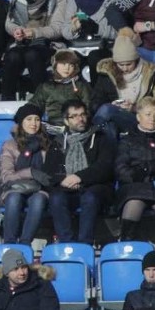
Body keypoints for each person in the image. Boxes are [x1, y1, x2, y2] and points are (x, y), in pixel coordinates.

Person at [39, 99, 114, 245]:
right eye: (74, 116)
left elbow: (105, 167)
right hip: (66, 186)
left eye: (83, 114)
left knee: (90, 197)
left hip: (94, 187)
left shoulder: (99, 138)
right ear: (66, 121)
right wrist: (63, 179)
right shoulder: (58, 142)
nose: (80, 119)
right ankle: (67, 243)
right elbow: (48, 171)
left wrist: (79, 177)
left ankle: (85, 243)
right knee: (56, 198)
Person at [114, 97, 155, 244]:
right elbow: (121, 168)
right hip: (134, 185)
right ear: (138, 117)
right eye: (148, 115)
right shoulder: (127, 139)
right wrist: (138, 173)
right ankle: (126, 245)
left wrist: (148, 167)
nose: (153, 119)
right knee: (133, 204)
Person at [2, 0, 68, 101]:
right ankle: (6, 100)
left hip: (49, 43)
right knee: (12, 56)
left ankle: (42, 99)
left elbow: (57, 28)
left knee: (32, 54)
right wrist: (16, 30)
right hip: (22, 42)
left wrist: (34, 32)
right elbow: (9, 23)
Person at [0, 103, 51, 245]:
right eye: (29, 119)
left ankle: (25, 244)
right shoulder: (10, 145)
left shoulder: (47, 143)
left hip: (40, 188)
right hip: (14, 188)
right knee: (14, 198)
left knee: (38, 200)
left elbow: (49, 173)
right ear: (21, 122)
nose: (33, 124)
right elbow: (6, 176)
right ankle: (9, 243)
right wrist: (31, 173)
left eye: (37, 119)